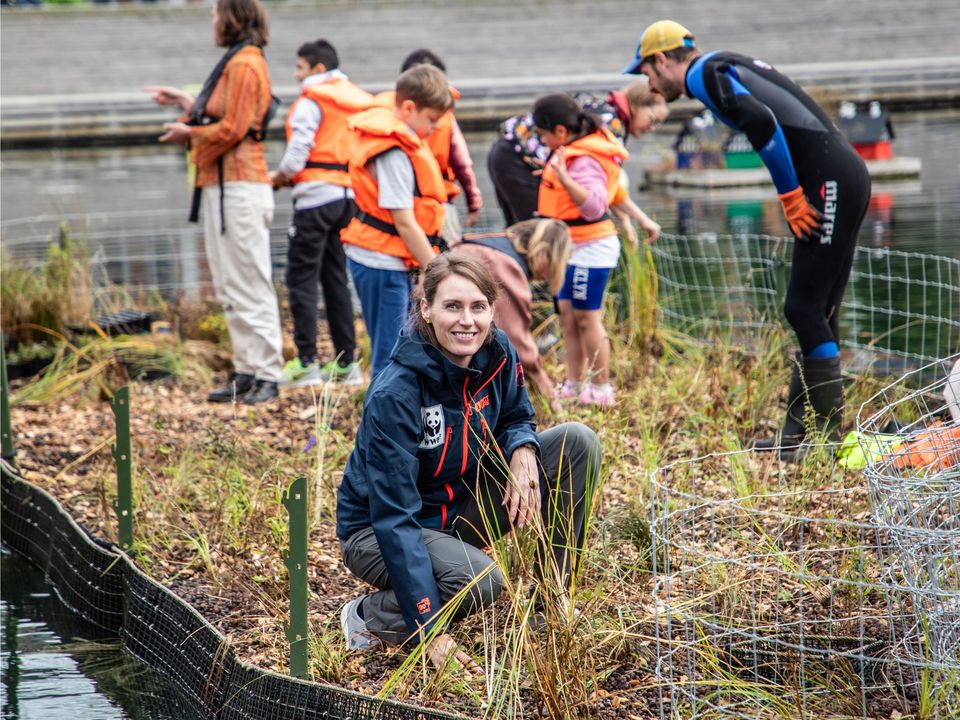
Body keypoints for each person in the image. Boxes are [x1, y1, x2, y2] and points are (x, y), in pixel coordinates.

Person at [336, 252, 601, 676]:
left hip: (457, 505)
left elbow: (517, 415)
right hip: (376, 529)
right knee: (482, 580)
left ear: (492, 310)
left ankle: (552, 603)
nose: (467, 321)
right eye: (452, 306)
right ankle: (367, 616)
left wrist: (524, 450)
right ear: (426, 309)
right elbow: (393, 517)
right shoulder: (396, 394)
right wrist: (429, 627)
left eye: (478, 307)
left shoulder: (497, 353)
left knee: (577, 441)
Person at [623, 20, 871, 454]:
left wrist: (790, 195)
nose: (649, 83)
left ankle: (826, 437)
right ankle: (801, 433)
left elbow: (763, 122)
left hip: (829, 180)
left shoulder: (703, 74)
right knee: (818, 307)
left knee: (803, 306)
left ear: (662, 60)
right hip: (839, 174)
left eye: (646, 72)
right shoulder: (722, 65)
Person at [146, 0, 284, 405]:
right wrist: (185, 107)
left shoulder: (245, 62)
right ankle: (246, 370)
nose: (212, 20)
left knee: (249, 281)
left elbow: (236, 128)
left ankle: (267, 374)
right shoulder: (238, 60)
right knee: (229, 282)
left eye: (215, 13)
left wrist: (187, 135)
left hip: (240, 185)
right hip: (224, 186)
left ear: (233, 16)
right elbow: (222, 118)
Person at [269, 39, 372, 387]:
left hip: (314, 198)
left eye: (299, 68)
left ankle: (306, 362)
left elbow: (298, 153)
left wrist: (279, 177)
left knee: (300, 278)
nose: (296, 76)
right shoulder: (358, 99)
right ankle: (347, 364)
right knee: (335, 277)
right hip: (350, 198)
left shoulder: (311, 101)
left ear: (317, 69)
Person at [340, 64, 453, 379]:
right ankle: (382, 424)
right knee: (390, 355)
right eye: (431, 120)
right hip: (380, 264)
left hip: (388, 261)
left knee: (401, 349)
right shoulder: (393, 152)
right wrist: (436, 270)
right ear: (408, 108)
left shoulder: (401, 141)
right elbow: (403, 222)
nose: (433, 129)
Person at [533, 94, 628, 408]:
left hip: (591, 248)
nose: (543, 141)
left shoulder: (584, 159)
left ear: (560, 132)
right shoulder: (569, 152)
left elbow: (594, 206)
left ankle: (601, 388)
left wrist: (563, 178)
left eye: (543, 135)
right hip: (570, 247)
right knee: (569, 318)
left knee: (587, 318)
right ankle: (575, 383)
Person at [487, 81, 666, 245]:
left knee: (524, 236)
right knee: (537, 239)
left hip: (505, 152)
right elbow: (599, 188)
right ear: (637, 104)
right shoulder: (610, 124)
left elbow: (599, 185)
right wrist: (631, 218)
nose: (652, 128)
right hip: (518, 161)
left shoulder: (604, 111)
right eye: (652, 120)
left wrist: (633, 217)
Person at [456, 219, 572, 406]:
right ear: (543, 251)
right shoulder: (506, 265)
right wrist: (547, 390)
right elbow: (515, 337)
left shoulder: (495, 245)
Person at [375, 49, 483, 248]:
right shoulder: (444, 119)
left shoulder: (379, 115)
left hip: (395, 213)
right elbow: (462, 164)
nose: (433, 126)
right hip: (430, 208)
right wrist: (473, 202)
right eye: (431, 120)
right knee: (446, 264)